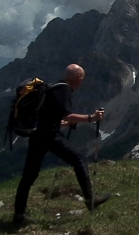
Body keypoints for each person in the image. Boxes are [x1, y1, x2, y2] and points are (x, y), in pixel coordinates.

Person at [12, 63, 105, 226]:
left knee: (29, 176)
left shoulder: (54, 87)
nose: (82, 82)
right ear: (78, 78)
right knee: (78, 159)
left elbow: (49, 115)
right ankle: (90, 199)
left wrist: (61, 123)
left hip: (37, 135)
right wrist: (91, 118)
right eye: (81, 78)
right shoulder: (64, 90)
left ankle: (18, 215)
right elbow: (67, 115)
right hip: (48, 136)